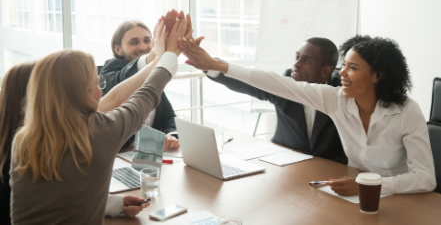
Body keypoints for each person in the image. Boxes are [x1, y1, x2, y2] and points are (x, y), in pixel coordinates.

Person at [179, 35, 437, 195]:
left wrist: (370, 185)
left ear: (377, 75)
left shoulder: (407, 111)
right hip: (351, 197)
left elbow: (425, 179)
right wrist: (216, 64)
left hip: (402, 198)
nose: (342, 73)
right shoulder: (336, 100)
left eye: (353, 68)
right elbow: (276, 83)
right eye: (344, 65)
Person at [9, 19, 188, 224]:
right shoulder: (102, 130)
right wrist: (171, 54)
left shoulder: (24, 138)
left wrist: (111, 204)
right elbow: (148, 92)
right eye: (98, 83)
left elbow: (55, 199)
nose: (101, 90)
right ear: (81, 93)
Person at [205, 38, 347, 164]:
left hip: (330, 168)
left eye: (307, 60)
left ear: (326, 71)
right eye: (297, 57)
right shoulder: (286, 81)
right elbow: (252, 85)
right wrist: (209, 66)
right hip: (284, 160)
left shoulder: (341, 91)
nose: (296, 64)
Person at [100, 13, 183, 151]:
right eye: (134, 42)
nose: (143, 47)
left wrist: (170, 136)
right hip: (119, 156)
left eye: (147, 40)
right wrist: (154, 56)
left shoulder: (152, 75)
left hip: (152, 156)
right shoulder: (111, 68)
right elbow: (119, 84)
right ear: (118, 49)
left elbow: (168, 117)